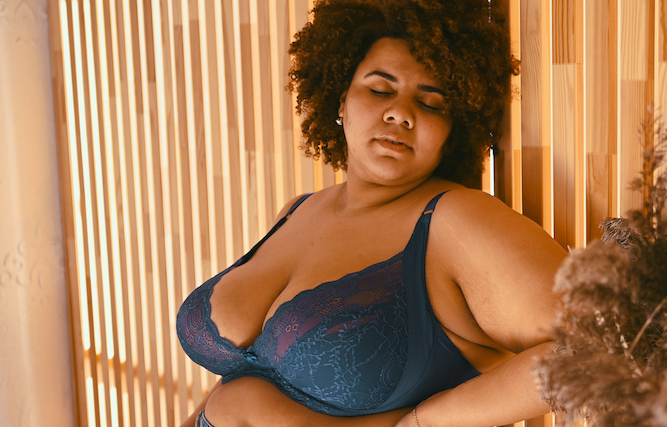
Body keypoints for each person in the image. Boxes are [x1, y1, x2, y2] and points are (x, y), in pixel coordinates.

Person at [175, 0, 566, 425]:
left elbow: (592, 346)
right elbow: (241, 378)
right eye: (380, 89)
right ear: (341, 101)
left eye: (432, 103)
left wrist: (424, 423)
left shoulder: (456, 221)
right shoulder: (299, 210)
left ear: (455, 129)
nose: (400, 112)